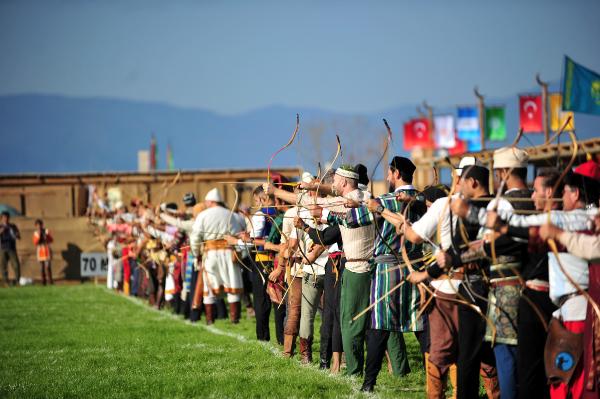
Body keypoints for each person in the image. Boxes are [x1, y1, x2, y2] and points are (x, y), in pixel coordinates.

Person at [0, 211, 21, 286]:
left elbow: (18, 236)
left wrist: (17, 234)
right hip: (2, 248)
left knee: (16, 265)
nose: (6, 219)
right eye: (4, 217)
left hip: (12, 248)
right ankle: (6, 282)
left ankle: (17, 281)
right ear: (1, 218)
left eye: (7, 217)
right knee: (3, 266)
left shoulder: (13, 226)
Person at [33, 219, 53, 285]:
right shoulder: (35, 233)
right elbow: (35, 242)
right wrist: (39, 235)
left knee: (48, 266)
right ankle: (43, 282)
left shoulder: (46, 231)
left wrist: (46, 235)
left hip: (46, 249)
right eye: (37, 225)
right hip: (40, 250)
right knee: (42, 267)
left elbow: (51, 240)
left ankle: (50, 281)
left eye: (40, 225)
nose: (39, 226)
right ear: (36, 226)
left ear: (42, 225)